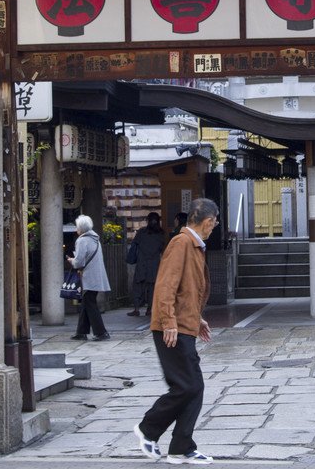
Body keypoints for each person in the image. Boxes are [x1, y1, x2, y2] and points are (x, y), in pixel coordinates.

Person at [134, 198, 217, 465]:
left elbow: (187, 290)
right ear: (207, 221)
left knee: (193, 386)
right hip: (172, 329)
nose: (213, 228)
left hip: (184, 325)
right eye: (214, 224)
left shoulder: (193, 245)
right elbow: (166, 286)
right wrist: (169, 322)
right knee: (187, 385)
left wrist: (198, 318)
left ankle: (181, 446)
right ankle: (149, 429)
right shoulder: (181, 243)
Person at [67, 215, 111, 341]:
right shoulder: (95, 239)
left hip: (89, 277)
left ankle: (101, 332)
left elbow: (79, 261)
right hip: (97, 276)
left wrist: (72, 261)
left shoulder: (82, 240)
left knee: (90, 304)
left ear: (80, 228)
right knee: (87, 303)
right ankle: (81, 332)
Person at [128, 212, 165, 317]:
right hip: (154, 264)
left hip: (142, 262)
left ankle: (136, 308)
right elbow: (162, 249)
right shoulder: (161, 234)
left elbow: (135, 244)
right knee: (152, 288)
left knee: (138, 286)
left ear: (147, 220)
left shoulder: (142, 232)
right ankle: (150, 309)